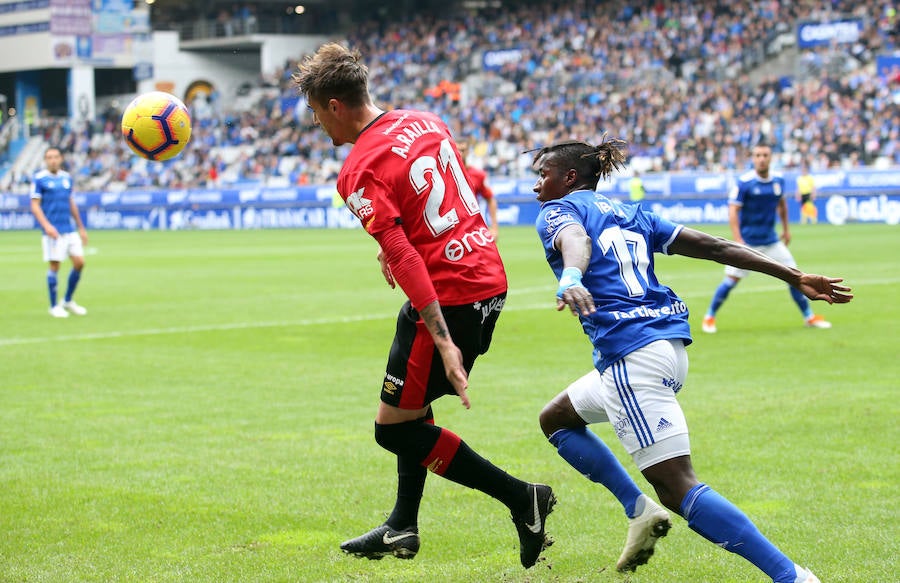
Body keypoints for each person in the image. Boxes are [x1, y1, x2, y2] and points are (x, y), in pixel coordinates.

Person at [531, 137, 852, 582]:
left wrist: (571, 274)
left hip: (631, 358)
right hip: (666, 348)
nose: (536, 186)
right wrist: (793, 275)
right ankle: (638, 510)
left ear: (569, 178)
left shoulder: (558, 211)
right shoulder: (632, 213)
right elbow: (715, 246)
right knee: (557, 419)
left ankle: (792, 577)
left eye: (542, 175)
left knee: (677, 486)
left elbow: (575, 239)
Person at [292, 43, 555, 569]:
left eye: (316, 111)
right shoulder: (425, 121)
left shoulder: (358, 168)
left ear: (335, 105)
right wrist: (397, 247)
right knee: (411, 407)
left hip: (447, 295)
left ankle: (523, 498)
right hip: (486, 276)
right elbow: (443, 202)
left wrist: (442, 339)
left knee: (393, 429)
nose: (317, 123)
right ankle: (402, 525)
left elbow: (404, 252)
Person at [702, 143, 831, 334]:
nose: (761, 159)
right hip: (748, 243)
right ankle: (709, 317)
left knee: (796, 277)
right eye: (758, 155)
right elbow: (733, 210)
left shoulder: (778, 180)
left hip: (772, 242)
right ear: (753, 159)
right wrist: (737, 239)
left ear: (771, 158)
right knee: (730, 281)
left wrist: (786, 230)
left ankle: (809, 317)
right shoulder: (744, 183)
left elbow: (782, 205)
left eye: (765, 155)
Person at [29, 146, 88, 318]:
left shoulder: (66, 178)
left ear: (61, 158)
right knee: (55, 266)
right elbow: (35, 206)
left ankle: (67, 300)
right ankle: (54, 306)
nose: (53, 160)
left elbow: (71, 203)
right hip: (53, 231)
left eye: (55, 157)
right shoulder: (39, 179)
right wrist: (47, 226)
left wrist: (81, 227)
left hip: (69, 229)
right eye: (49, 157)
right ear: (45, 160)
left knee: (79, 263)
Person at [458, 141, 499, 238]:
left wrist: (494, 227)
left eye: (463, 150)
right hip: (451, 226)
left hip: (472, 226)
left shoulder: (478, 175)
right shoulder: (444, 174)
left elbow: (490, 199)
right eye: (457, 150)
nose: (460, 153)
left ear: (468, 152)